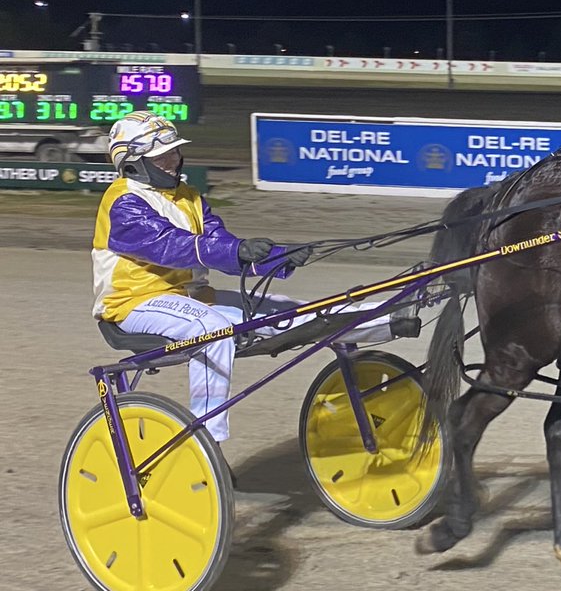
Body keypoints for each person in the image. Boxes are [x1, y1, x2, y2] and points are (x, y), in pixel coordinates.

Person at [92, 111, 397, 446]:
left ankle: (388, 320)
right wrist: (237, 251)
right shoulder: (124, 203)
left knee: (288, 312)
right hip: (134, 304)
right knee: (211, 330)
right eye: (162, 156)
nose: (173, 160)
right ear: (133, 163)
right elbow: (171, 247)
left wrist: (277, 257)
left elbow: (221, 246)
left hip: (192, 298)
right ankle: (206, 440)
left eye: (174, 152)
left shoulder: (190, 196)